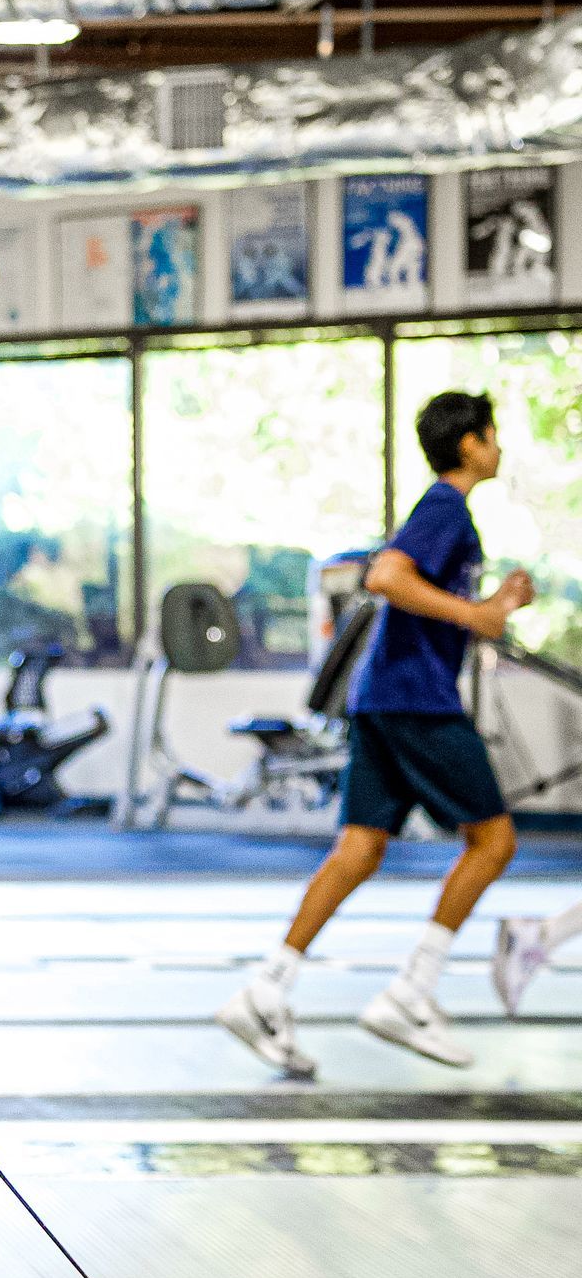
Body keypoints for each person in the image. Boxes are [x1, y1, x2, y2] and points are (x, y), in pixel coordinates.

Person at [218, 389, 529, 1080]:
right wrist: (476, 617)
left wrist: (496, 606)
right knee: (495, 840)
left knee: (359, 850)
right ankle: (411, 992)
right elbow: (387, 575)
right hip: (417, 701)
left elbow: (444, 605)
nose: (499, 445)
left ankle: (265, 989)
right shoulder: (446, 506)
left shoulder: (445, 511)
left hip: (383, 699)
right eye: (493, 434)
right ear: (469, 444)